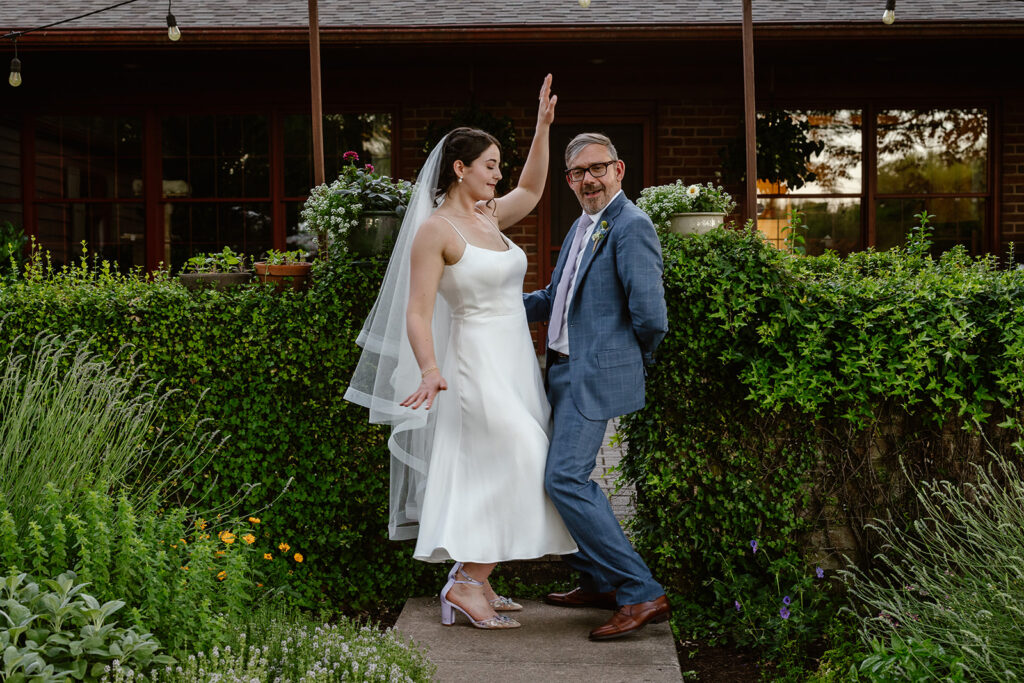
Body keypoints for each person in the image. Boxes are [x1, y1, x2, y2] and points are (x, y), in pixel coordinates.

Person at [345, 74, 576, 631]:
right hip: (472, 363)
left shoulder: (489, 217)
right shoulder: (437, 230)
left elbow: (535, 190)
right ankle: (469, 581)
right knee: (525, 455)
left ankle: (474, 581)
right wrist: (429, 368)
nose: (499, 175)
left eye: (500, 166)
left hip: (516, 359)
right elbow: (418, 312)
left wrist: (544, 128)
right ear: (460, 169)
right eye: (491, 165)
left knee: (489, 468)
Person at [523, 132, 670, 640]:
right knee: (551, 478)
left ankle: (640, 590)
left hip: (592, 374)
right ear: (569, 181)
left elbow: (650, 315)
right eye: (577, 173)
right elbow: (553, 296)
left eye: (597, 168)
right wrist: (490, 308)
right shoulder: (584, 224)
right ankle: (597, 579)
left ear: (619, 169)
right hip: (558, 370)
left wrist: (627, 359)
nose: (588, 179)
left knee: (566, 478)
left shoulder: (632, 226)